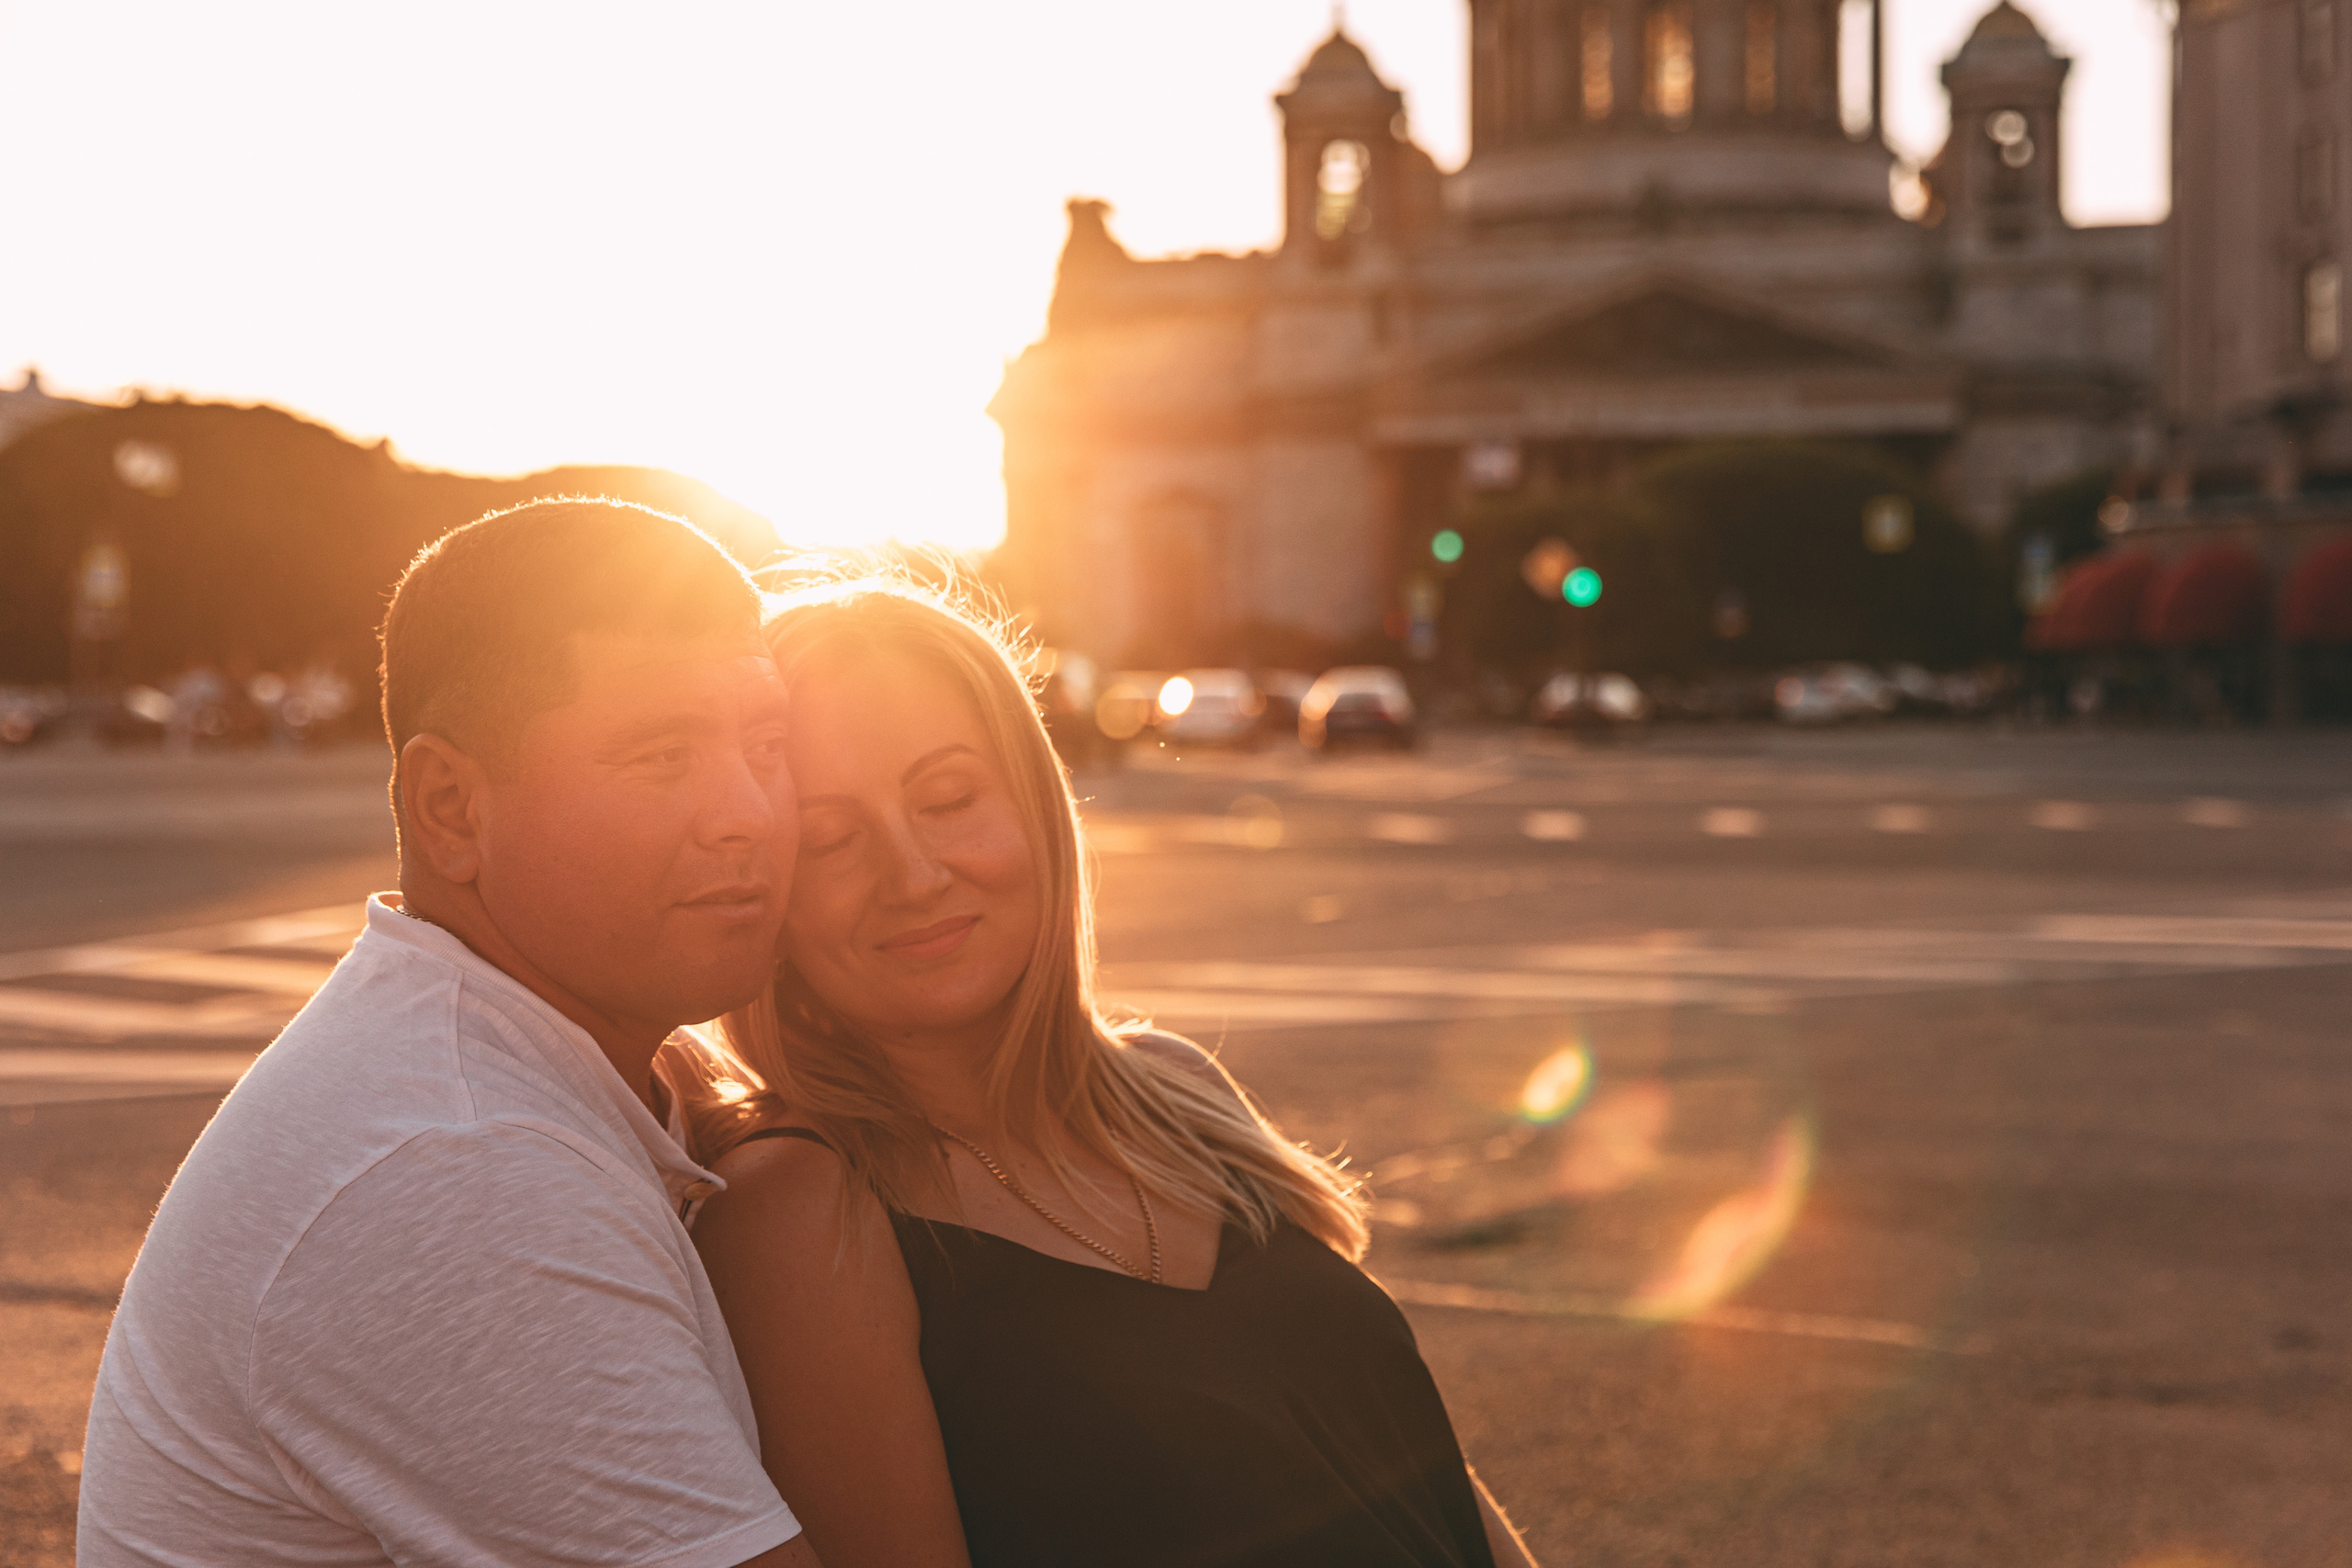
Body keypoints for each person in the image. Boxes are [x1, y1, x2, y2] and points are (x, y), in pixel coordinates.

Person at [687, 574, 1539, 1568]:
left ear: (1037, 805)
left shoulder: (1173, 1089)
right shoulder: (802, 1212)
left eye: (950, 798)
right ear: (770, 890)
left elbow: (1415, 1472)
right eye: (831, 839)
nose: (913, 873)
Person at [77, 499, 820, 1568]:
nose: (749, 809)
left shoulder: (495, 1062)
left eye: (767, 743)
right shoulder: (459, 1160)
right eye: (663, 756)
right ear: (451, 809)